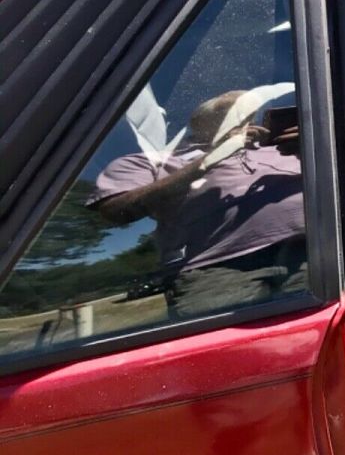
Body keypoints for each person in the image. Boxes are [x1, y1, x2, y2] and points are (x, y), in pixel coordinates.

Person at [90, 90, 308, 318]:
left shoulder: (282, 147)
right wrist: (207, 161)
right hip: (217, 269)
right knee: (224, 346)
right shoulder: (152, 162)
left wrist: (312, 149)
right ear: (201, 122)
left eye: (251, 112)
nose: (248, 119)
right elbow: (116, 210)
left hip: (314, 249)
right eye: (234, 112)